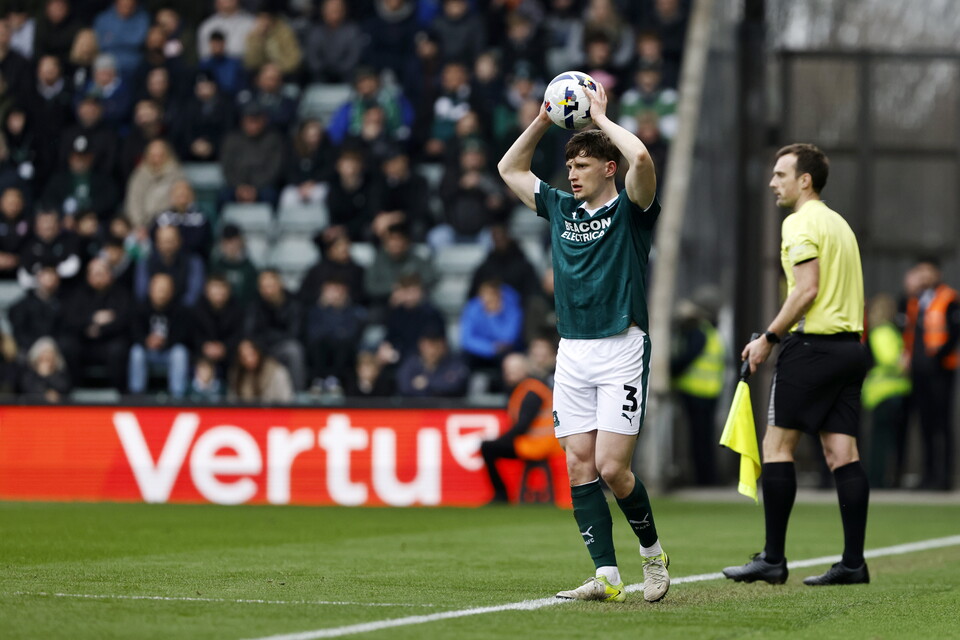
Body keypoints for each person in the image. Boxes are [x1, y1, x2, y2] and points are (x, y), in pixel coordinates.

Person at [498, 82, 668, 603]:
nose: (571, 175)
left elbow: (638, 153)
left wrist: (599, 116)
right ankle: (607, 576)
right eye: (569, 166)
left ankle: (652, 555)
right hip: (572, 351)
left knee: (614, 469)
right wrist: (546, 119)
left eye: (583, 166)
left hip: (621, 346)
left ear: (608, 169)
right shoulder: (559, 208)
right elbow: (509, 169)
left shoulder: (633, 212)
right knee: (579, 464)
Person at [723, 143, 870, 587]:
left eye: (781, 174)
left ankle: (772, 558)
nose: (773, 182)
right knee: (841, 452)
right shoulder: (839, 224)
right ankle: (853, 564)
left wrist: (769, 337)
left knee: (777, 447)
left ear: (805, 180)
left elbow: (806, 289)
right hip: (849, 349)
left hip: (814, 349)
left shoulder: (799, 222)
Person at [901, 256, 959, 491]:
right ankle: (928, 476)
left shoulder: (949, 299)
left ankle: (944, 477)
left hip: (941, 370)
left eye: (929, 271)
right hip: (919, 371)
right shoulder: (915, 301)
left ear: (937, 273)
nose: (925, 276)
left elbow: (954, 333)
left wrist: (937, 357)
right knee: (924, 424)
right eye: (920, 270)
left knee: (942, 425)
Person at [480, 352, 562, 504]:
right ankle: (501, 495)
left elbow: (522, 427)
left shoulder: (531, 391)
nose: (509, 374)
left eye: (514, 370)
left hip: (536, 445)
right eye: (507, 370)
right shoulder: (526, 389)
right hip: (536, 443)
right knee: (490, 447)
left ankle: (501, 495)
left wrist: (500, 440)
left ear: (525, 369)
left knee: (487, 448)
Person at [670, 298, 725, 486]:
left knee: (699, 439)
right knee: (704, 438)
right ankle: (708, 477)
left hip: (695, 392)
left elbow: (687, 358)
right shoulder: (712, 333)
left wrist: (671, 371)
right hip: (710, 392)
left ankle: (704, 479)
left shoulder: (698, 332)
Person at [862, 293, 911, 489]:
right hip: (888, 391)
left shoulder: (876, 331)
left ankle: (877, 477)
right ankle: (878, 478)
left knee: (880, 438)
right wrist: (904, 361)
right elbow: (890, 359)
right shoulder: (884, 331)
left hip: (878, 392)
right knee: (883, 439)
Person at [127, 272, 190, 398]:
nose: (162, 293)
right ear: (150, 289)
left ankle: (178, 396)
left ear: (172, 291)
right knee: (136, 352)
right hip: (147, 350)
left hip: (168, 351)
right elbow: (134, 332)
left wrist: (165, 342)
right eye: (159, 289)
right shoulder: (140, 308)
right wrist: (146, 340)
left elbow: (184, 334)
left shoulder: (181, 310)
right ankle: (136, 395)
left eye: (165, 289)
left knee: (180, 353)